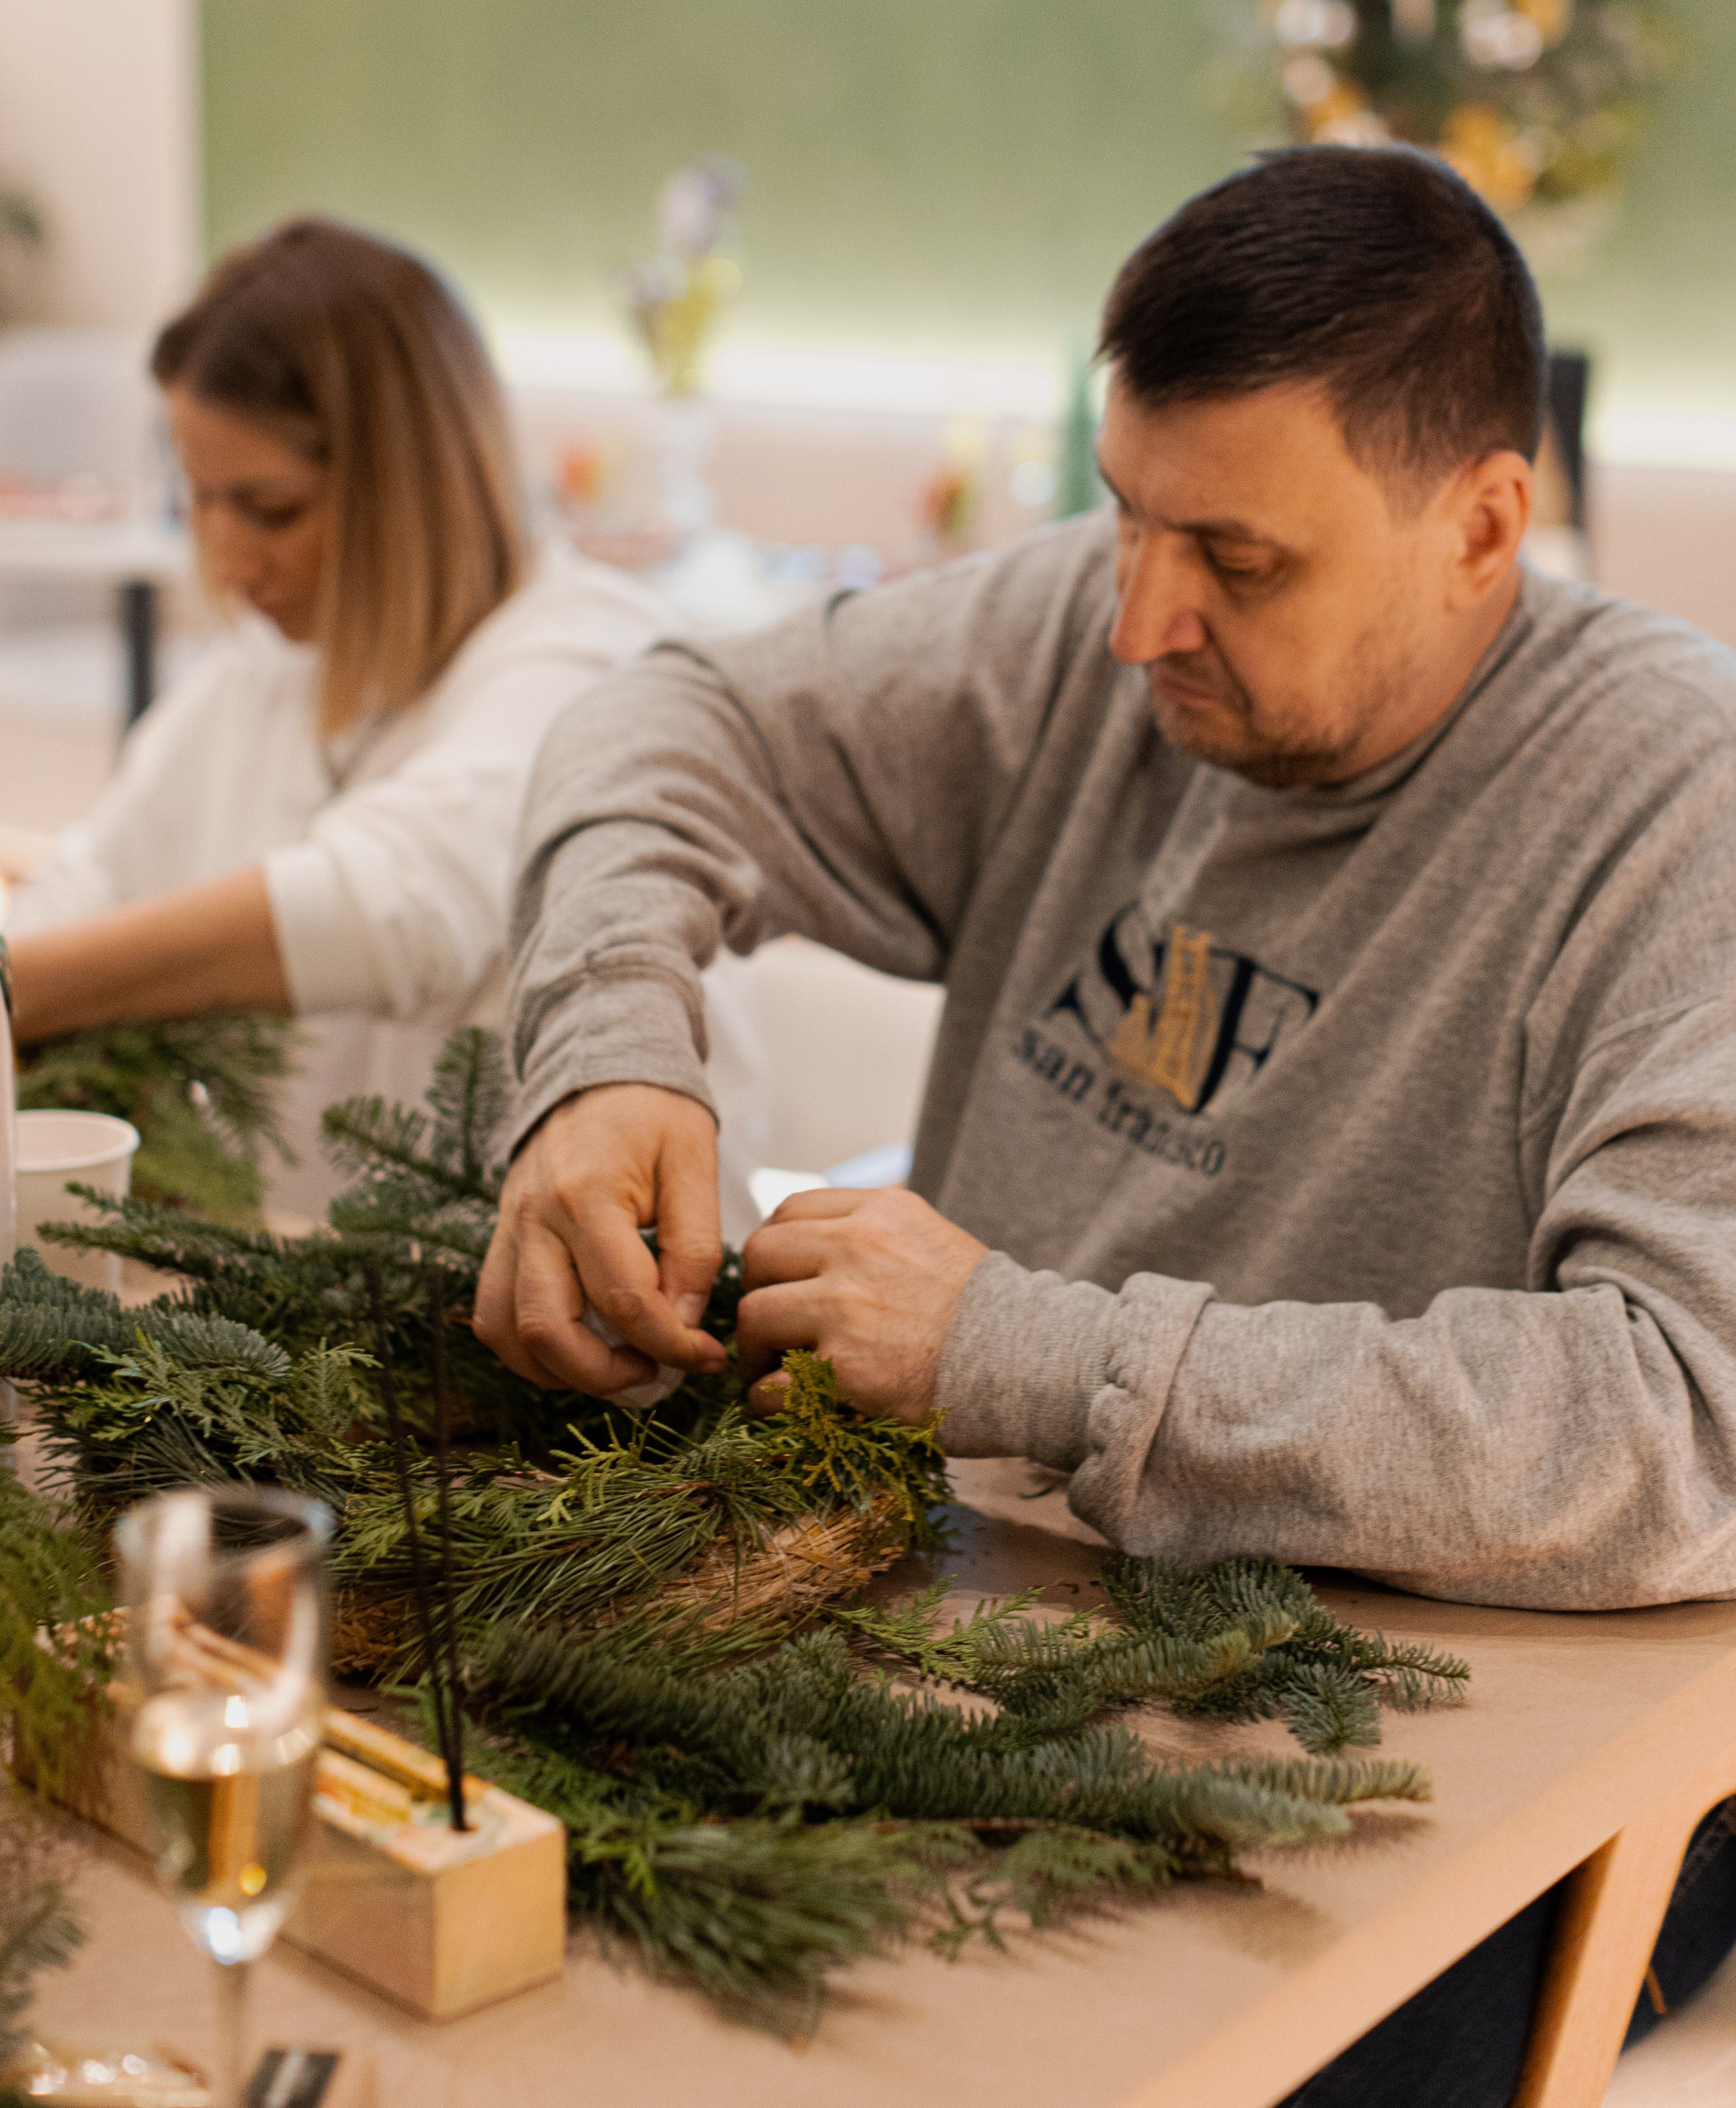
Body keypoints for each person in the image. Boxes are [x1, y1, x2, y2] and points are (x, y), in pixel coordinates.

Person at [477, 146, 1736, 2102]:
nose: (1142, 618)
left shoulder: (1685, 815)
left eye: (1240, 562)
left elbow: (1681, 1421)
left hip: (1439, 1762)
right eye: (1127, 513)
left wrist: (1029, 1353)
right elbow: (661, 725)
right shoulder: (1110, 616)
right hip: (984, 1632)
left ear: (1488, 525)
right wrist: (613, 1039)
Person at [5, 216, 766, 1226]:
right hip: (329, 1332)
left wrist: (17, 986)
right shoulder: (259, 682)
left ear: (411, 484)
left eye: (271, 509)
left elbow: (394, 904)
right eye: (199, 501)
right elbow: (93, 883)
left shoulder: (596, 661)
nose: (228, 562)